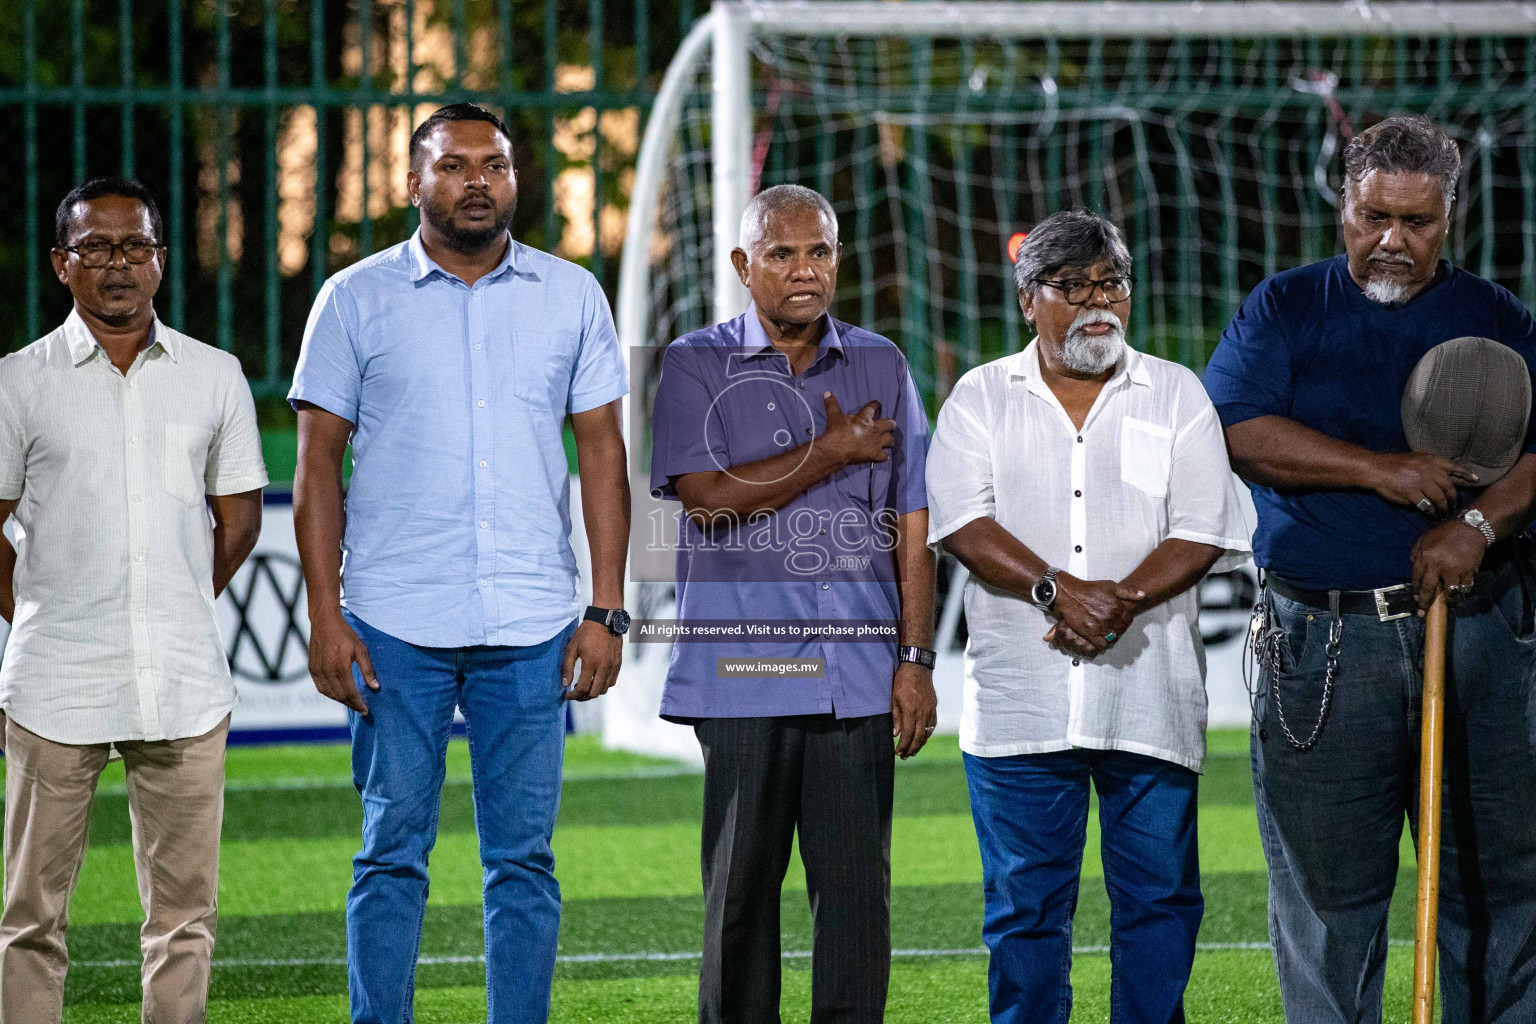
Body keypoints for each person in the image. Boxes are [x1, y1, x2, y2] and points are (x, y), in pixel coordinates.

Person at [289, 104, 630, 1024]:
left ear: (516, 179)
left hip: (532, 622)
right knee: (390, 852)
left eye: (494, 165)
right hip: (395, 622)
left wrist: (606, 608)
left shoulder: (572, 295)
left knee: (523, 860)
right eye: (452, 166)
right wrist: (327, 615)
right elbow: (316, 463)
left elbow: (602, 453)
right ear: (412, 183)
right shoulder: (353, 298)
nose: (476, 181)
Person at [1204, 116, 1536, 1024]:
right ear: (1344, 206)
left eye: (1416, 222)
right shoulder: (1286, 307)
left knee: (1500, 887)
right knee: (1327, 904)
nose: (1391, 238)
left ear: (1451, 217)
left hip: (1479, 639)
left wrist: (1474, 522)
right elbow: (1235, 428)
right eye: (1372, 215)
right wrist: (1380, 470)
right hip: (1322, 643)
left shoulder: (1497, 318)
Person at [926, 210, 1250, 1024]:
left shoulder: (1177, 393)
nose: (1097, 301)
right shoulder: (979, 397)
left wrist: (1114, 604)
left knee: (1160, 907)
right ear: (1029, 299)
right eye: (1073, 287)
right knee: (1025, 917)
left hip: (1150, 697)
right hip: (1018, 706)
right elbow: (962, 522)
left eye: (1111, 282)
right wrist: (1056, 593)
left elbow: (1204, 529)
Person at [649, 184, 935, 1024]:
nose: (805, 271)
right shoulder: (694, 363)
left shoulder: (882, 362)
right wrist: (832, 449)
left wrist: (915, 660)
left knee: (856, 907)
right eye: (782, 254)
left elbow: (913, 521)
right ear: (744, 265)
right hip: (742, 672)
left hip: (857, 677)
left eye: (820, 252)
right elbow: (705, 499)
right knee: (739, 905)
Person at [0, 177, 267, 1024]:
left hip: (184, 684)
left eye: (136, 247)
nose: (118, 264)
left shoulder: (215, 375)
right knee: (30, 921)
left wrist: (171, 600)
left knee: (184, 920)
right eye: (95, 248)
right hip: (53, 687)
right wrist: (42, 613)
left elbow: (240, 520)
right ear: (61, 264)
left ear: (160, 262)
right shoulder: (16, 382)